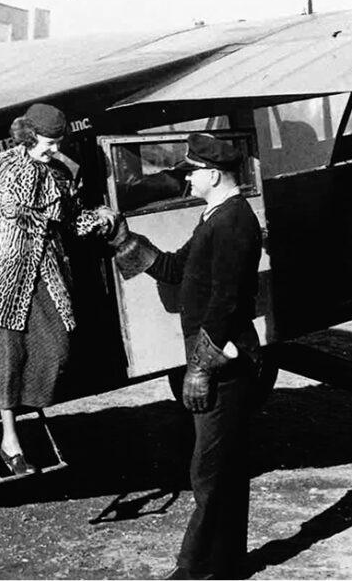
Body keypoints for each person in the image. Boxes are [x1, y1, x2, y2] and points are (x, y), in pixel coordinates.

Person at [106, 133, 263, 579]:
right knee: (223, 468)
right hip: (220, 360)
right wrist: (122, 237)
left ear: (213, 174)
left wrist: (200, 367)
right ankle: (227, 565)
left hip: (224, 363)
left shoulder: (232, 223)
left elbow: (227, 304)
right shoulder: (216, 216)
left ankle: (194, 571)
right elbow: (174, 268)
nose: (184, 179)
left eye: (190, 172)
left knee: (208, 472)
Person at [0, 103, 114, 478]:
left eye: (58, 144)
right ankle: (10, 440)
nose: (54, 150)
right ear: (29, 134)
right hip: (1, 280)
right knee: (6, 357)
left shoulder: (59, 175)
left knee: (57, 351)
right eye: (49, 143)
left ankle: (25, 410)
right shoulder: (0, 168)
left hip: (46, 276)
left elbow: (73, 220)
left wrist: (101, 218)